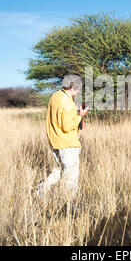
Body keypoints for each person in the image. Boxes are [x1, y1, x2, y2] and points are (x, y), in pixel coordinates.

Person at [36, 74, 89, 202]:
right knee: (71, 176)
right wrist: (80, 116)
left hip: (55, 141)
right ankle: (69, 202)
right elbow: (67, 126)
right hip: (68, 143)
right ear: (73, 87)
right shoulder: (68, 102)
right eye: (78, 88)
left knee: (58, 171)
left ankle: (41, 191)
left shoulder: (55, 96)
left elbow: (59, 117)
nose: (78, 91)